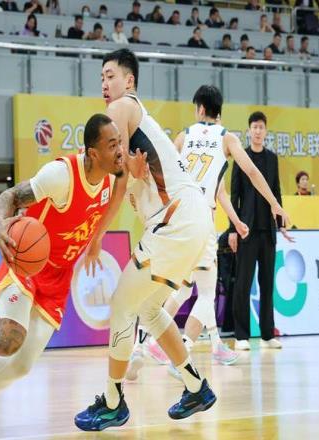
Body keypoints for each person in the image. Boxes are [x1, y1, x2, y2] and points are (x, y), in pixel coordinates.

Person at [0, 113, 124, 439]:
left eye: (120, 143)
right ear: (93, 153)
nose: (120, 151)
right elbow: (10, 197)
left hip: (58, 279)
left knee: (21, 365)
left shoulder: (110, 179)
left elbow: (113, 199)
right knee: (8, 342)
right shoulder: (61, 176)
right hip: (27, 266)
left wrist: (97, 241)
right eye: (113, 145)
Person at [74, 48, 217, 431]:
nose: (105, 84)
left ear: (129, 81)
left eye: (110, 75)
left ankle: (112, 401)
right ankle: (195, 386)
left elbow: (116, 175)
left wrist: (96, 237)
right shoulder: (133, 134)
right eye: (101, 78)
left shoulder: (121, 107)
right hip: (191, 221)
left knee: (122, 303)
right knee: (149, 310)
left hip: (178, 219)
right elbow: (121, 178)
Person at [126, 85, 290, 378]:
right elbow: (252, 172)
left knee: (174, 288)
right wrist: (275, 205)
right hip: (201, 222)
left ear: (200, 109)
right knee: (205, 294)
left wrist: (138, 195)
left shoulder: (183, 136)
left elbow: (159, 170)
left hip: (174, 218)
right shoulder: (227, 138)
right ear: (218, 111)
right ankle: (180, 355)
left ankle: (143, 345)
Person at [229, 111, 295, 351]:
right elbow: (234, 195)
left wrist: (281, 224)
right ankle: (241, 336)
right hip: (246, 229)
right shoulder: (241, 157)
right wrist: (233, 229)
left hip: (268, 230)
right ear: (249, 131)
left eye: (261, 127)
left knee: (267, 283)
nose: (257, 131)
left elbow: (276, 192)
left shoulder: (272, 159)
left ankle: (267, 334)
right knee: (243, 284)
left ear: (266, 131)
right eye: (254, 127)